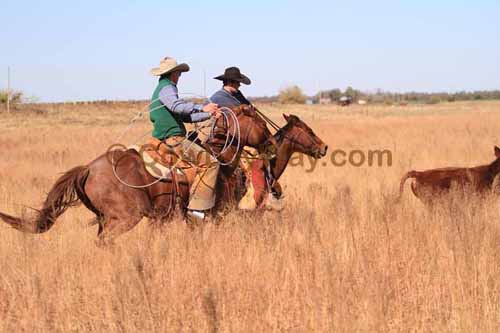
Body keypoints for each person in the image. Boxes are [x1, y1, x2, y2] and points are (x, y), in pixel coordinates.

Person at [149, 56, 221, 221]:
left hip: (168, 137)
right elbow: (178, 106)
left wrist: (208, 114)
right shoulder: (167, 87)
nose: (180, 76)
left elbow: (185, 116)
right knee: (211, 163)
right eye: (179, 73)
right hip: (173, 139)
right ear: (172, 73)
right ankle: (197, 210)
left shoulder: (163, 87)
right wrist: (203, 106)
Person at [210, 67, 283, 210]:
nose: (239, 85)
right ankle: (246, 199)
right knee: (248, 165)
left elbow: (249, 110)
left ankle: (268, 191)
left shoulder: (238, 95)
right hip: (225, 141)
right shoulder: (217, 98)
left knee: (263, 156)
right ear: (230, 82)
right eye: (237, 82)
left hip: (240, 139)